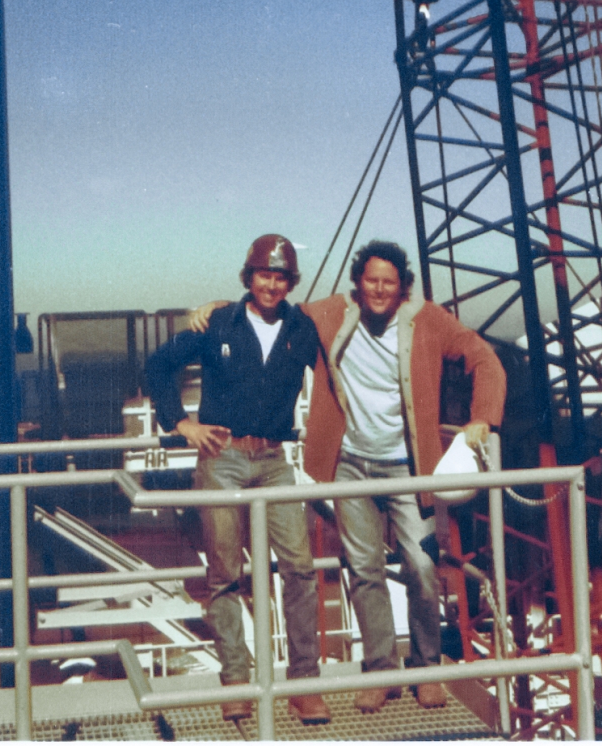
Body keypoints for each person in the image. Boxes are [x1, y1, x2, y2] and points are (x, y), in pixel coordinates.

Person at [190, 240, 506, 713]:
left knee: (421, 567)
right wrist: (215, 308)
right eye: (371, 280)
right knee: (364, 570)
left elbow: (484, 358)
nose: (379, 290)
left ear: (403, 288)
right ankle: (379, 671)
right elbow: (270, 304)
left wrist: (482, 416)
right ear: (358, 283)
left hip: (410, 467)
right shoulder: (327, 313)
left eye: (389, 283)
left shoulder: (430, 320)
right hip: (350, 462)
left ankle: (425, 668)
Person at [144, 234, 330, 724]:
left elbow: (347, 314)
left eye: (281, 276)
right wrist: (180, 423)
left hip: (274, 461)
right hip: (221, 457)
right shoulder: (218, 323)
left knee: (300, 567)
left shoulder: (302, 328)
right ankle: (236, 682)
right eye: (264, 274)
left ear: (291, 282)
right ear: (249, 277)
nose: (272, 284)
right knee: (225, 573)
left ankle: (305, 682)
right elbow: (158, 365)